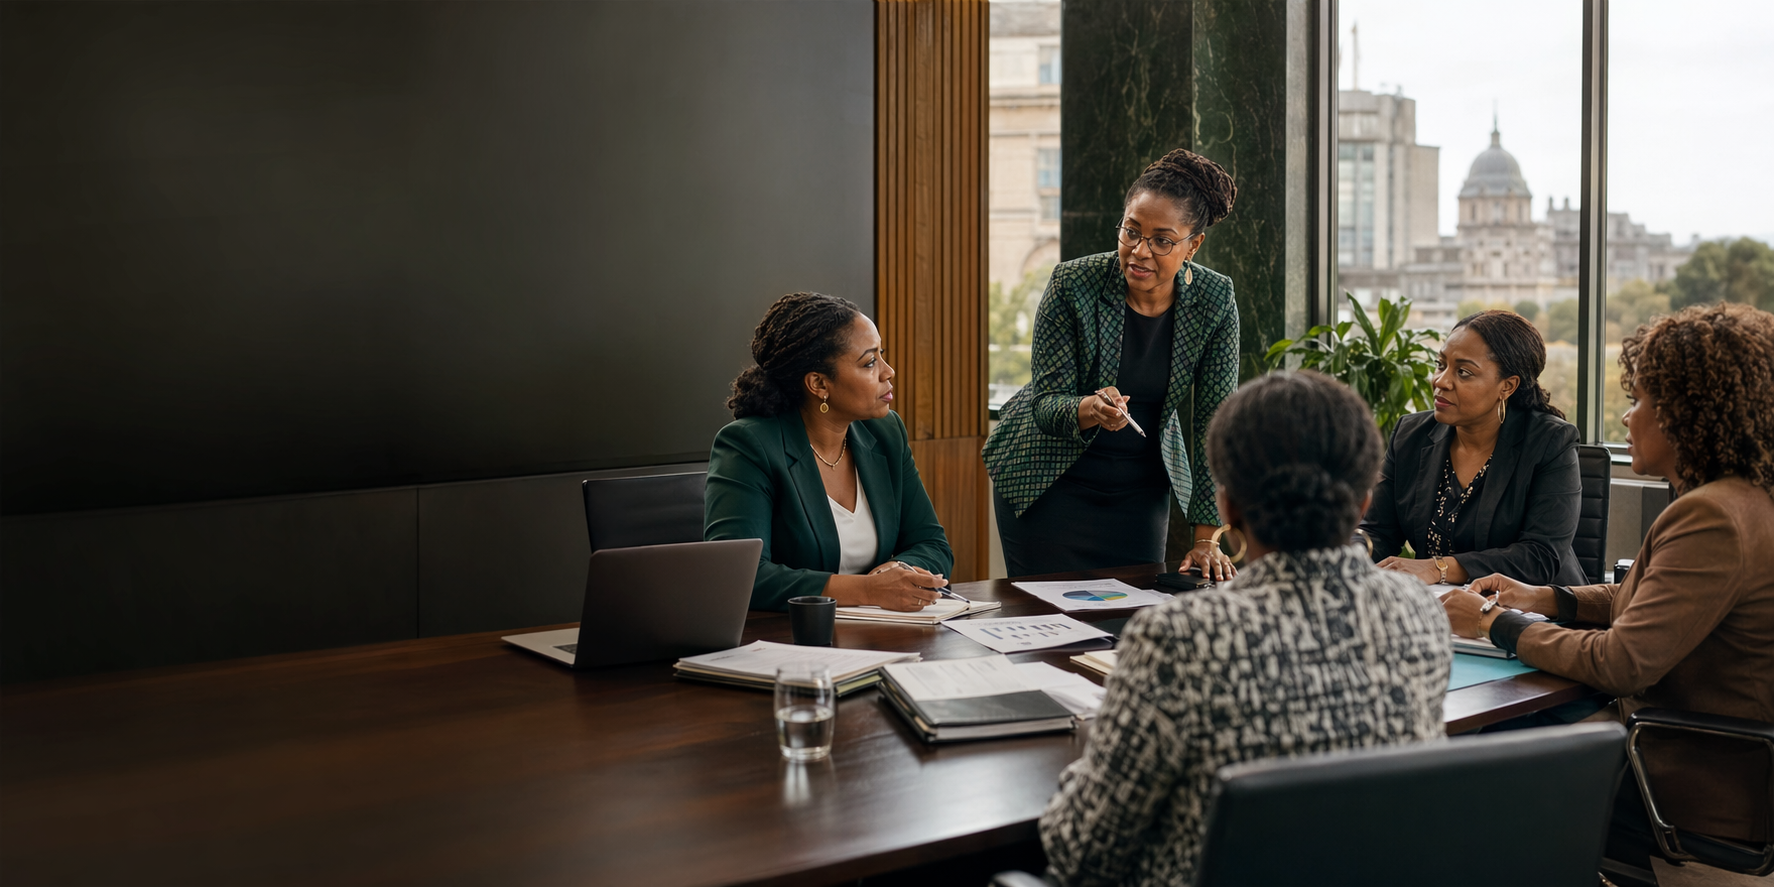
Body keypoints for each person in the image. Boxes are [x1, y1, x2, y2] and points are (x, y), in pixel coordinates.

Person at [1040, 371, 1451, 887]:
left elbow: (1084, 852)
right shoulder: (1420, 615)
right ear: (1364, 505)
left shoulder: (1180, 637)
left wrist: (1091, 759)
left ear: (1228, 506)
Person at [1442, 302, 1774, 866]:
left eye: (1639, 400)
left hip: (1680, 779)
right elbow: (1649, 600)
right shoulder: (1744, 499)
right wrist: (1545, 597)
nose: (1627, 418)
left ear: (1689, 414)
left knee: (1458, 777)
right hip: (1687, 750)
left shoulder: (1712, 518)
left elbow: (1621, 663)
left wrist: (1492, 622)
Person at [983, 148, 1242, 580]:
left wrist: (1204, 539)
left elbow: (1217, 427)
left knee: (1130, 624)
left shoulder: (1214, 301)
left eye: (1162, 240)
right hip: (1048, 484)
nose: (1140, 251)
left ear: (1193, 245)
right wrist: (1090, 408)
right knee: (1048, 627)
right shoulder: (1073, 283)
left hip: (1139, 491)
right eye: (1131, 231)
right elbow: (1046, 403)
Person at [704, 292, 954, 611]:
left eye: (882, 355)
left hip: (879, 634)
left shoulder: (886, 432)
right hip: (787, 641)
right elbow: (739, 576)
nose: (888, 371)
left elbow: (933, 545)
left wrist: (896, 571)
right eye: (870, 362)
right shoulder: (749, 445)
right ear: (819, 384)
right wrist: (866, 590)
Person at [1359, 309, 1585, 586]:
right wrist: (1340, 555)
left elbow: (1539, 557)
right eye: (1441, 364)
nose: (1440, 381)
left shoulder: (1550, 442)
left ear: (1507, 386)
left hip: (1531, 612)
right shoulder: (1411, 435)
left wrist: (1438, 568)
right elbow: (1378, 532)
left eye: (1463, 373)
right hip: (1436, 606)